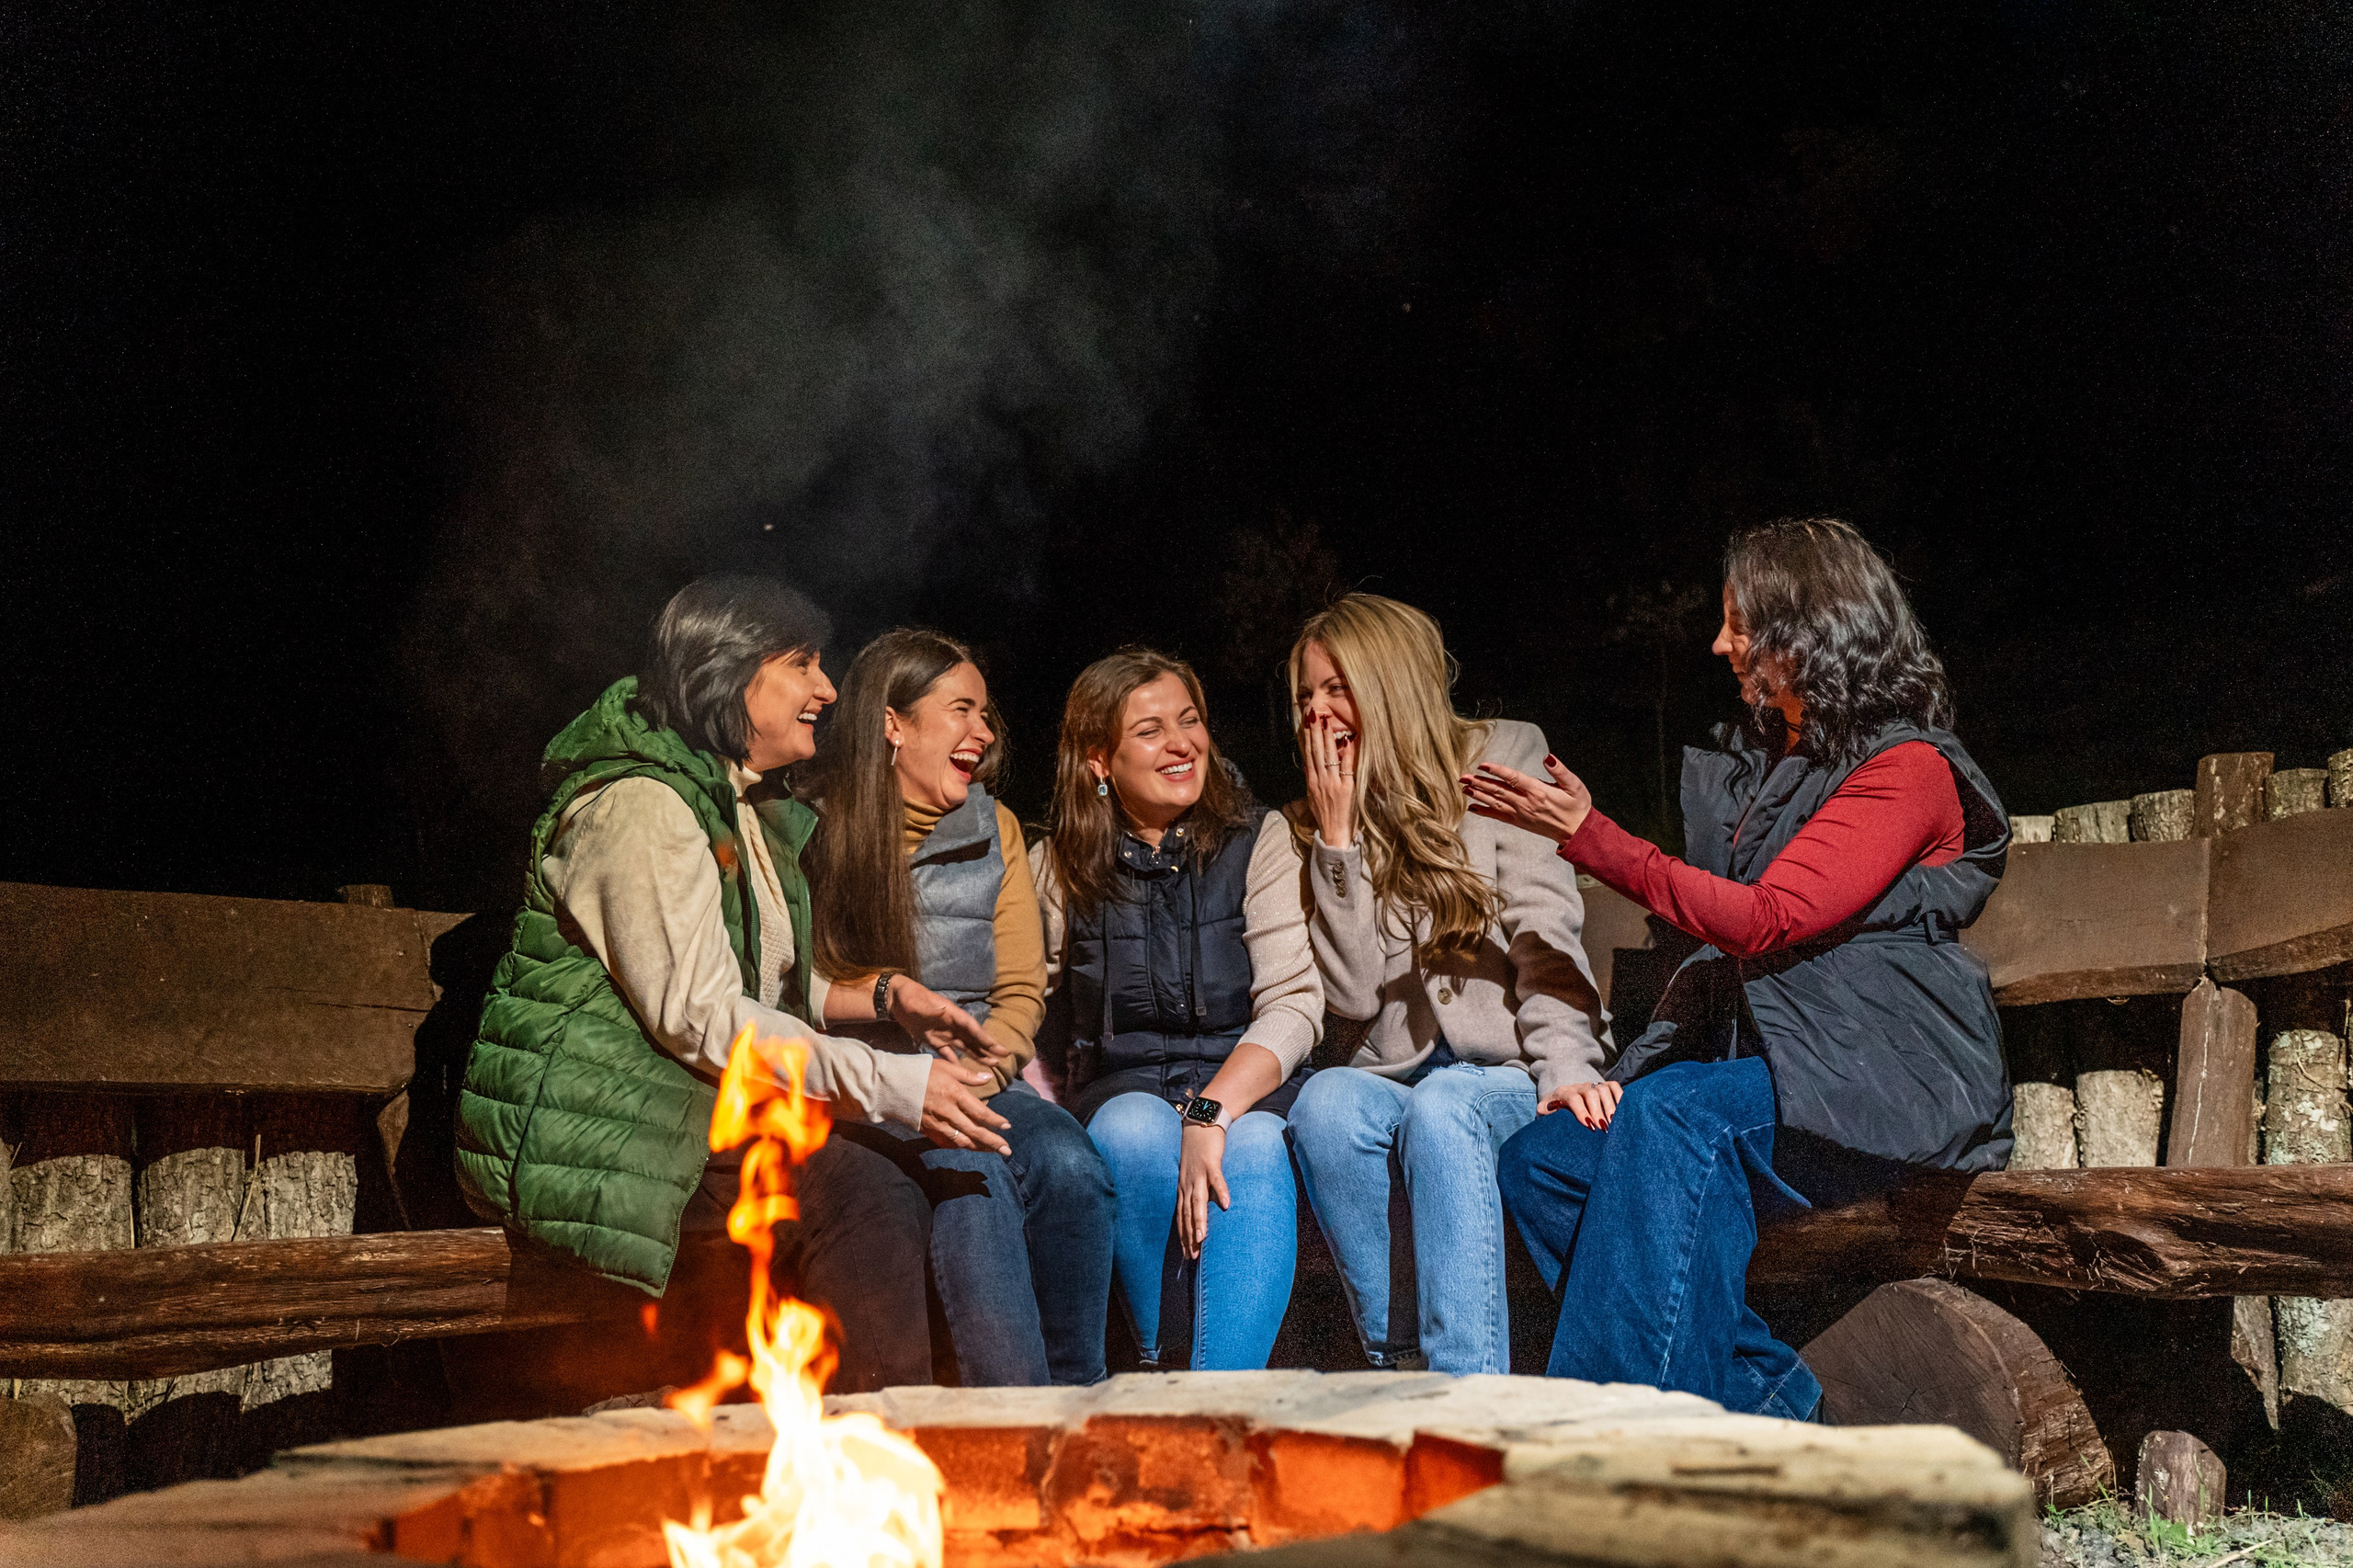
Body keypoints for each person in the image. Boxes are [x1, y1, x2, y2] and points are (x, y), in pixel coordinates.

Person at [1464, 517, 2013, 1419]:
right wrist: (1629, 1072)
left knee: (1678, 1119)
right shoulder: (1780, 766)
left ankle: (1618, 1438)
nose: (1720, 644)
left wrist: (1591, 837)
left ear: (1812, 629)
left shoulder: (1906, 768)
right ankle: (1773, 1411)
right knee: (1546, 1161)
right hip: (1778, 1072)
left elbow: (1764, 919)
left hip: (1883, 1077)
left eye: (1742, 624)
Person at [454, 575, 1008, 1392]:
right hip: (595, 1136)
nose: (828, 689)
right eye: (802, 665)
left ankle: (889, 1433)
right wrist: (890, 1082)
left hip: (677, 1113)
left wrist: (887, 996)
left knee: (906, 1173)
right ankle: (879, 1444)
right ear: (728, 671)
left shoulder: (738, 803)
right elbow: (705, 1016)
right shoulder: (642, 808)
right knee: (863, 1191)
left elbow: (759, 975)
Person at [1283, 594, 1610, 1376]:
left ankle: (1468, 1394)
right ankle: (1399, 1366)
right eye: (1304, 697)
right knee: (1324, 1102)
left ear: (1389, 679)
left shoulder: (1506, 754)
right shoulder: (1328, 814)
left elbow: (1544, 932)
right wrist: (1339, 842)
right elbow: (1355, 996)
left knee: (1446, 1103)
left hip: (1506, 1070)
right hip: (1399, 1071)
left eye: (1337, 688)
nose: (1317, 713)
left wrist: (1568, 1066)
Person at [800, 628, 1116, 1387]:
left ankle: (1082, 1399)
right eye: (961, 710)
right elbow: (788, 984)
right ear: (892, 723)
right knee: (973, 1177)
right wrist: (904, 1059)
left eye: (985, 714)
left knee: (1070, 1163)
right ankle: (1010, 1416)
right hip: (869, 1088)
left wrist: (980, 1075)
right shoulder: (811, 828)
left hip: (980, 1076)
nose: (984, 732)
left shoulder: (994, 828)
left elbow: (1020, 991)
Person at [1029, 648, 1324, 1371]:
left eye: (1190, 721)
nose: (1181, 743)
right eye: (1150, 730)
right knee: (1130, 1131)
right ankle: (1158, 1369)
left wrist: (1210, 1114)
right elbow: (1020, 1004)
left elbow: (1293, 1003)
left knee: (1254, 1148)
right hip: (1123, 1090)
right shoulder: (1060, 863)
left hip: (1246, 1090)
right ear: (1099, 761)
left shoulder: (1257, 840)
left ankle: (1221, 1393)